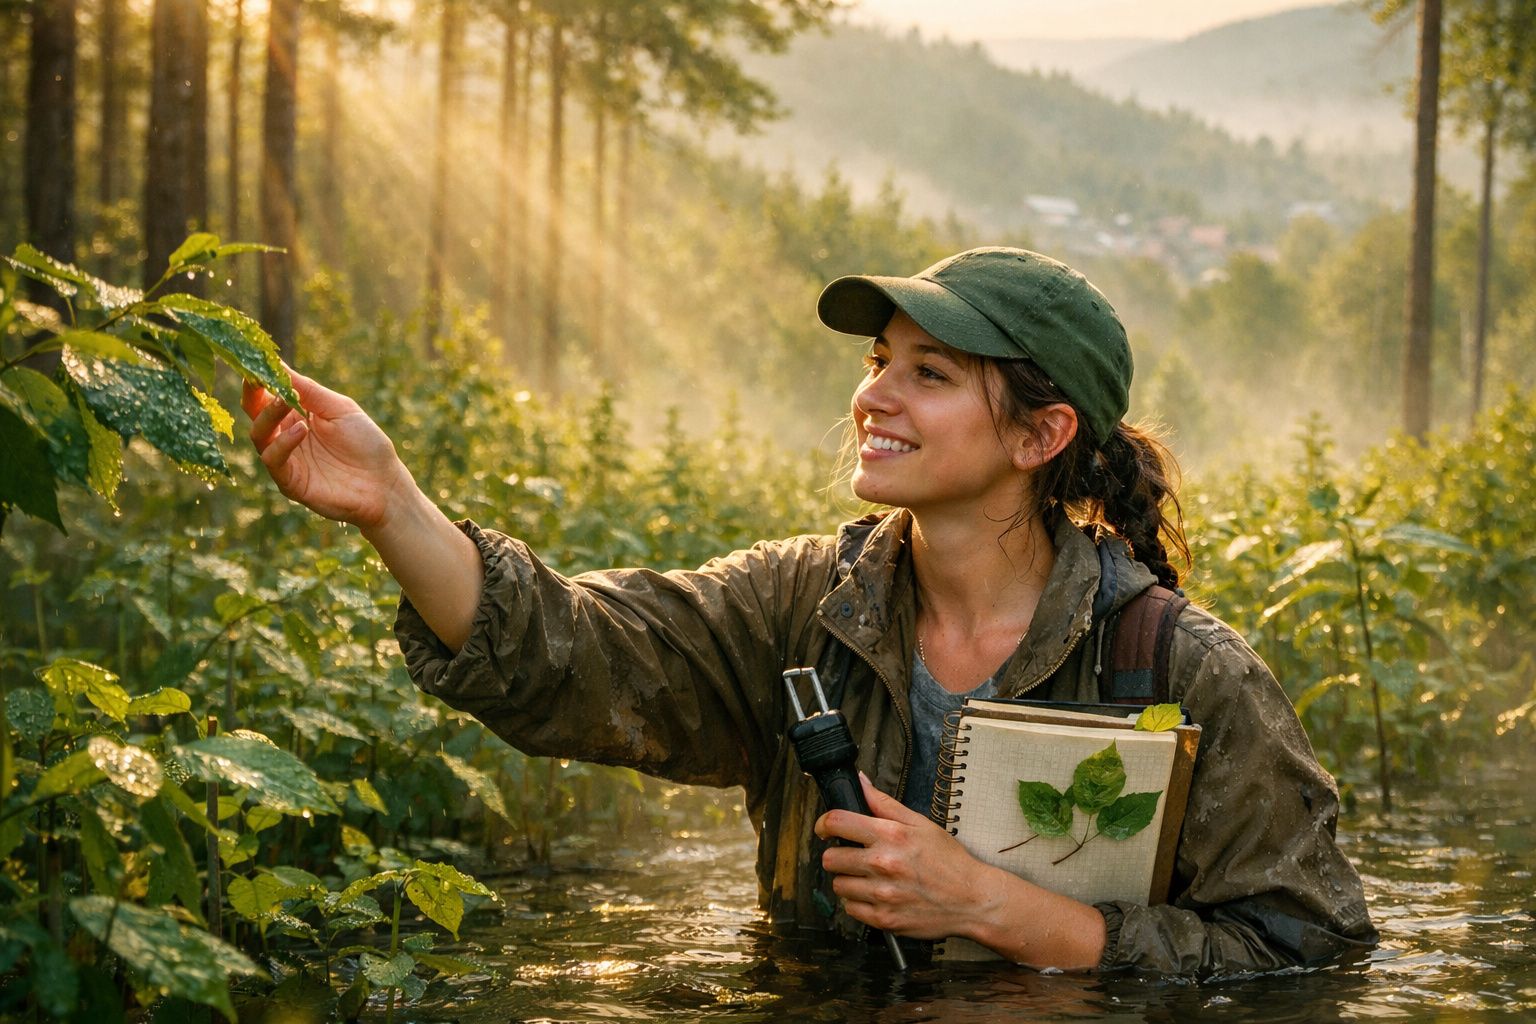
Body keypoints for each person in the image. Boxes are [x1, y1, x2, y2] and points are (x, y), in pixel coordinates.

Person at [243, 246, 1377, 975]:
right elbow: (577, 654)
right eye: (882, 359)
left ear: (1042, 435)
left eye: (930, 373)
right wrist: (392, 506)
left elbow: (1312, 948)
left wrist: (1014, 914)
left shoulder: (1187, 671)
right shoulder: (802, 608)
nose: (872, 393)